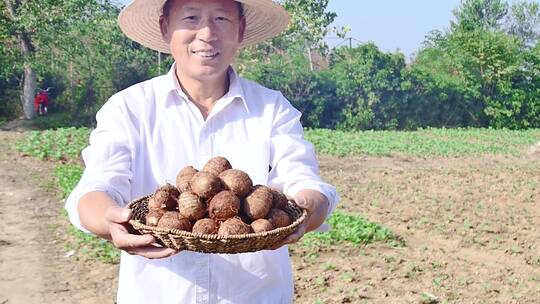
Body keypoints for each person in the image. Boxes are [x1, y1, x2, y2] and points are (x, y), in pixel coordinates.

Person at [65, 0, 339, 303]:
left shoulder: (273, 109)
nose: (207, 33)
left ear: (241, 30)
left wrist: (307, 208)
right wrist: (110, 219)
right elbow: (98, 185)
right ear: (165, 26)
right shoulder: (129, 108)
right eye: (192, 17)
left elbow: (306, 182)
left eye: (221, 18)